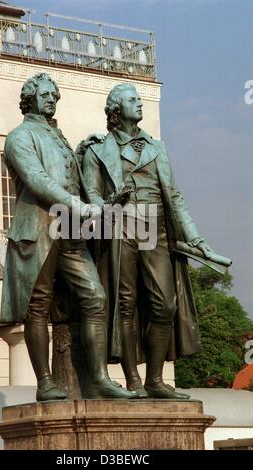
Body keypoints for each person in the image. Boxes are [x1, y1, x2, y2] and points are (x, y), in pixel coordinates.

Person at [0, 73, 134, 401]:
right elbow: (37, 178)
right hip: (38, 230)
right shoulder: (20, 137)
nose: (51, 100)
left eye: (54, 96)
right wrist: (76, 204)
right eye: (45, 95)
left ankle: (101, 378)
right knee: (38, 305)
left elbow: (66, 173)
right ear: (29, 99)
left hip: (70, 230)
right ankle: (45, 382)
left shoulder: (58, 137)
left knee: (96, 297)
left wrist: (80, 153)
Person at [82, 83, 218, 399]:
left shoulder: (157, 147)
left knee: (165, 304)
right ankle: (133, 380)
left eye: (140, 99)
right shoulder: (97, 150)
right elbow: (91, 199)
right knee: (125, 303)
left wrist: (195, 237)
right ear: (116, 110)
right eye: (132, 100)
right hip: (121, 225)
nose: (140, 104)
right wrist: (112, 200)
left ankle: (155, 379)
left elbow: (174, 195)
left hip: (155, 226)